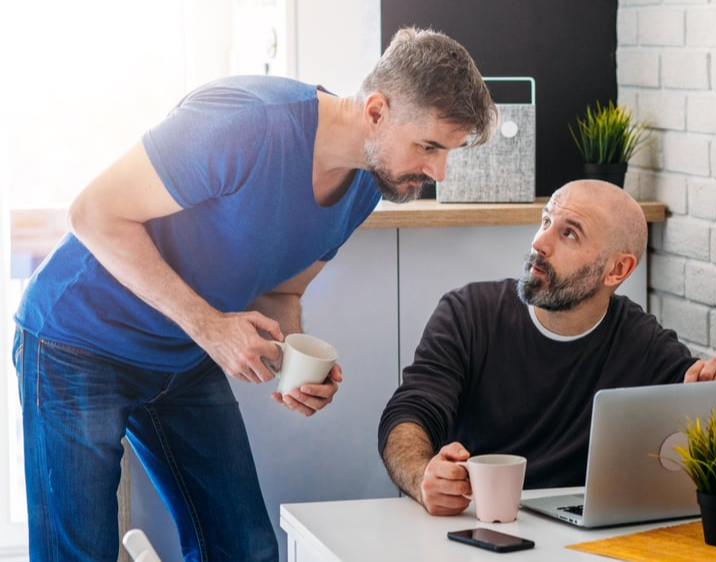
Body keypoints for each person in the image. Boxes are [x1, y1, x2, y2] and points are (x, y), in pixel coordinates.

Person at [12, 27, 496, 561]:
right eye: (429, 147)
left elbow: (282, 287)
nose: (438, 171)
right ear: (377, 111)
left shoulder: (365, 185)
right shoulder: (244, 122)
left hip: (180, 354)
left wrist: (295, 359)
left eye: (447, 152)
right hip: (78, 341)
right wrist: (210, 328)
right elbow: (92, 213)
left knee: (245, 550)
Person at [378, 179, 716, 516]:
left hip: (582, 543)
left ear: (618, 269)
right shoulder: (468, 314)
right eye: (546, 220)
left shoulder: (640, 341)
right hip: (480, 530)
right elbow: (408, 412)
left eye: (568, 232)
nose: (540, 242)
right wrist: (421, 477)